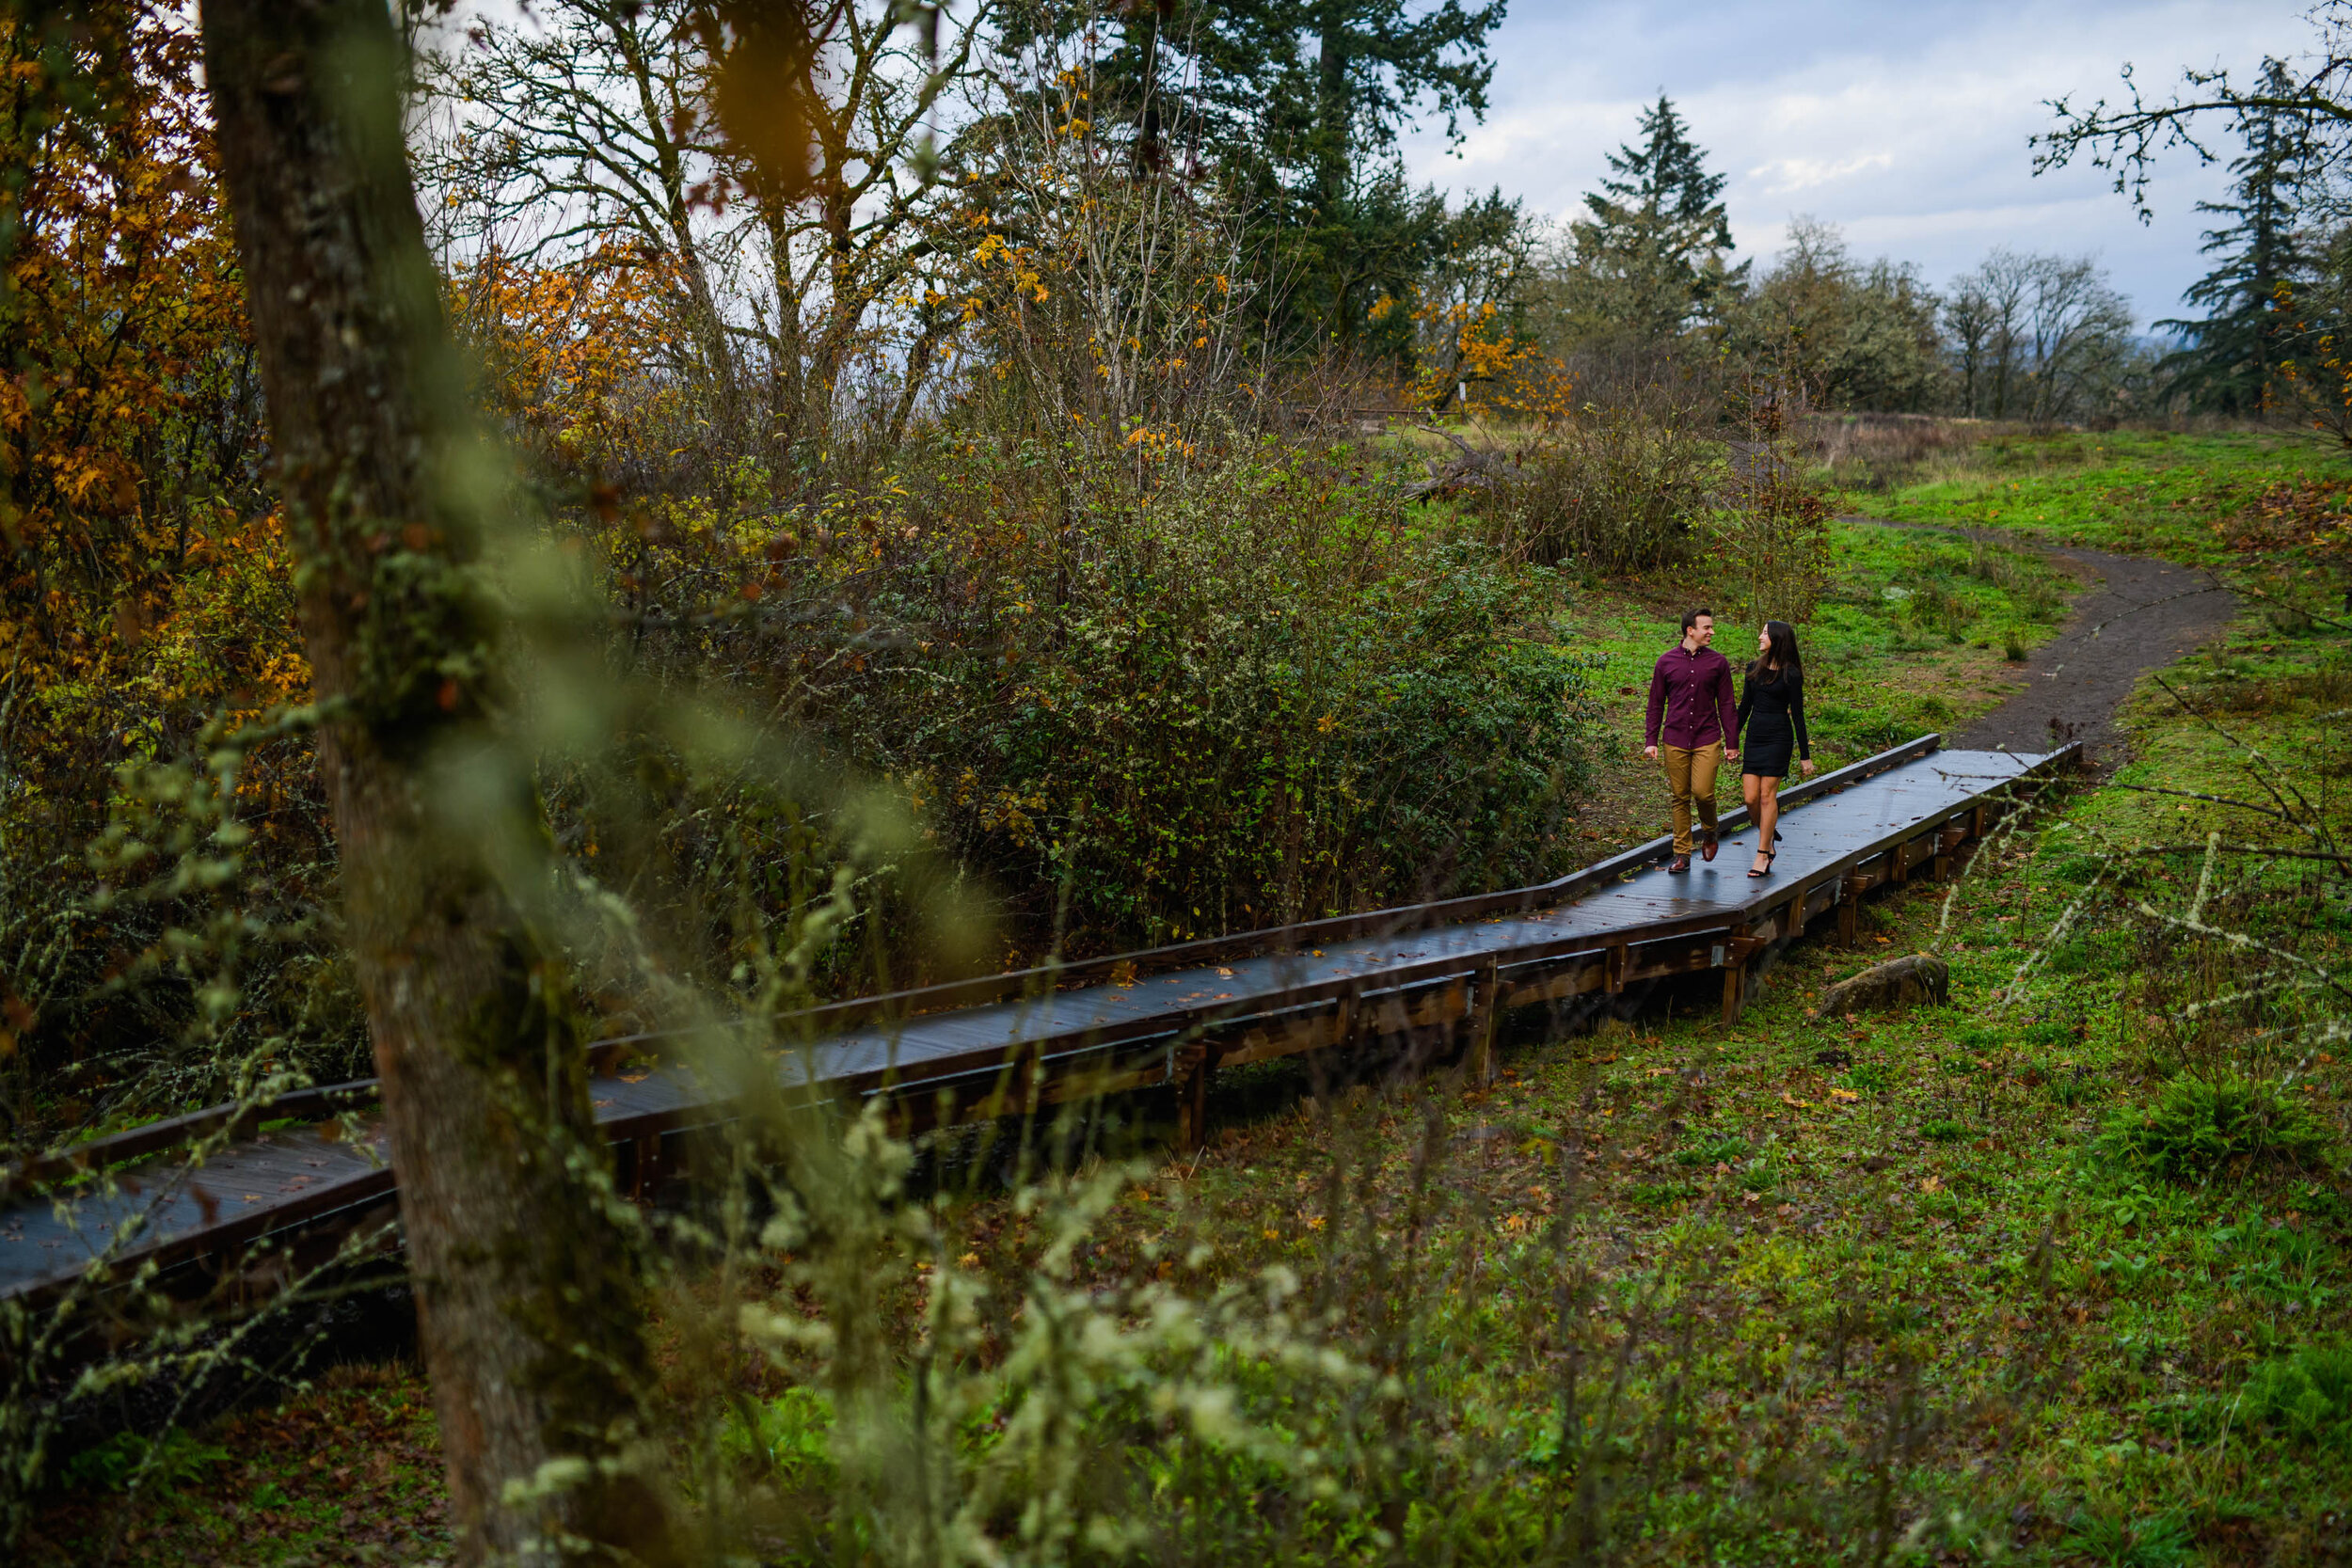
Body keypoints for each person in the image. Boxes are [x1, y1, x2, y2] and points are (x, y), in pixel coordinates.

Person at [1643, 608, 1738, 874]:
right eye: (1707, 627)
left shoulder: (1718, 663)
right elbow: (1655, 704)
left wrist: (1732, 743)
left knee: (1703, 793)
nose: (1712, 632)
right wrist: (1651, 740)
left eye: (1711, 627)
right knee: (1679, 797)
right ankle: (1682, 854)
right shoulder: (1666, 662)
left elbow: (1728, 704)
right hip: (1675, 738)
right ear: (1690, 630)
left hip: (1707, 737)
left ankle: (1709, 831)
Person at [1734, 619, 1815, 878]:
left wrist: (1805, 756)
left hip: (1779, 738)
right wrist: (1731, 740)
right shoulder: (1753, 668)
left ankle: (1762, 854)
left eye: (1765, 633)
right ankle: (1767, 838)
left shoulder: (1791, 673)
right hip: (1755, 738)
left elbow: (1798, 716)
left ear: (1777, 639)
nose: (1760, 636)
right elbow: (1744, 708)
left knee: (1768, 796)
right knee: (1750, 798)